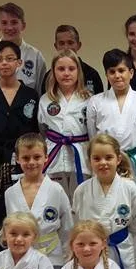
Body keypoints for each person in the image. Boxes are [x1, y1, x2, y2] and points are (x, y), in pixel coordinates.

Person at [0, 40, 40, 247]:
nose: (4, 63)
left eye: (10, 58)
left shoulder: (31, 95)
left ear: (19, 62)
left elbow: (35, 129)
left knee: (24, 205)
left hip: (24, 160)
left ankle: (27, 247)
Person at [72, 135, 136, 269]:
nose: (103, 163)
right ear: (90, 161)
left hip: (122, 249)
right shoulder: (81, 191)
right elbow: (77, 225)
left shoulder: (130, 189)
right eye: (97, 158)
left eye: (108, 157)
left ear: (118, 159)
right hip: (91, 251)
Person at [86, 49, 136, 197]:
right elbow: (92, 136)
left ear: (131, 73)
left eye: (121, 70)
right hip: (106, 162)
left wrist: (134, 150)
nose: (117, 75)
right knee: (107, 200)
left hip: (134, 158)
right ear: (106, 75)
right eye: (112, 71)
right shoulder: (96, 102)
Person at [4, 133, 73, 269]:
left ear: (46, 157)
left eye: (37, 157)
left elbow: (68, 227)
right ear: (17, 159)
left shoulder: (56, 189)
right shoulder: (10, 193)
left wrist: (68, 258)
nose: (31, 162)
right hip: (22, 255)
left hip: (53, 256)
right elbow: (10, 229)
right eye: (26, 158)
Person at [38, 49, 92, 199]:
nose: (66, 73)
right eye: (61, 69)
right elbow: (42, 130)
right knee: (55, 201)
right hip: (54, 156)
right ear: (53, 72)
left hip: (81, 157)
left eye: (71, 69)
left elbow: (93, 130)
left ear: (78, 71)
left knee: (80, 200)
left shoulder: (89, 99)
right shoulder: (45, 100)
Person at [0, 2, 48, 90]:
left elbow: (40, 92)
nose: (9, 28)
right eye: (4, 23)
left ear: (23, 25)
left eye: (14, 22)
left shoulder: (36, 56)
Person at [51, 24, 104, 95]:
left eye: (70, 43)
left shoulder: (92, 74)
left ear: (79, 45)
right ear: (56, 46)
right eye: (61, 43)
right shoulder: (49, 77)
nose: (66, 47)